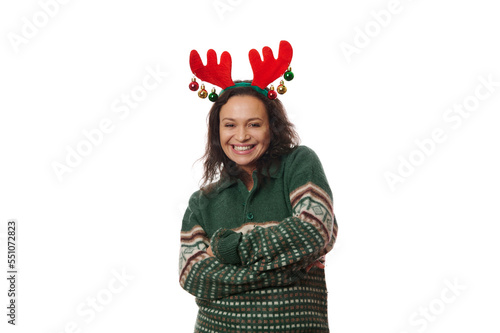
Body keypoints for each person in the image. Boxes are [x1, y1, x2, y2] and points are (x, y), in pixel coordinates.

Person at [178, 79, 339, 332]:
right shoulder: (202, 201)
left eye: (254, 124)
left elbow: (314, 230)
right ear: (217, 132)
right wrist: (288, 270)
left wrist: (226, 248)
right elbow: (193, 275)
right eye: (230, 125)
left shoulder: (299, 164)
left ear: (272, 128)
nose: (241, 136)